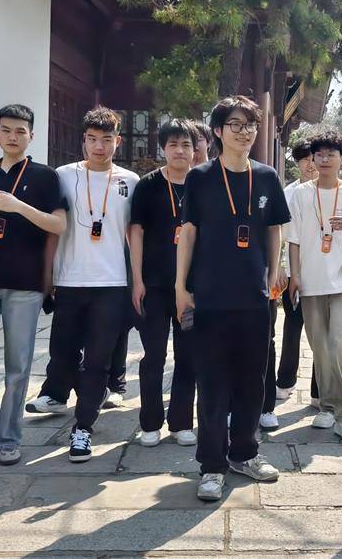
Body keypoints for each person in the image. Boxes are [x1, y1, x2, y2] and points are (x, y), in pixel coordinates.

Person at [176, 96, 289, 501]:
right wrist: (180, 287)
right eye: (236, 125)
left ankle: (245, 452)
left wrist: (273, 270)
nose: (244, 132)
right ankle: (212, 464)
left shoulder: (267, 177)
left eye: (250, 125)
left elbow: (274, 228)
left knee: (252, 381)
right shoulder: (200, 177)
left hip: (255, 297)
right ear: (218, 131)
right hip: (210, 296)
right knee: (211, 383)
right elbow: (188, 233)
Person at [26, 107, 139, 463]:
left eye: (107, 139)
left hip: (112, 282)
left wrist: (137, 282)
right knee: (62, 353)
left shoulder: (130, 181)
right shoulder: (63, 176)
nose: (99, 147)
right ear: (83, 141)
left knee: (98, 359)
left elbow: (135, 235)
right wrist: (48, 276)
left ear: (118, 142)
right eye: (92, 139)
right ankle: (81, 394)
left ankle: (83, 427)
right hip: (70, 280)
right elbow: (52, 229)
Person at [0, 105, 67, 466]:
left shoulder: (45, 177)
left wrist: (18, 206)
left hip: (25, 284)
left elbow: (59, 225)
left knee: (18, 365)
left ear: (31, 136)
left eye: (20, 131)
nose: (13, 137)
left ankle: (8, 436)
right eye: (6, 130)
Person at [286, 128, 342, 444]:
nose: (324, 160)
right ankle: (327, 405)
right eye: (318, 155)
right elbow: (293, 239)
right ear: (312, 159)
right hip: (311, 282)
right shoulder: (301, 194)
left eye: (330, 155)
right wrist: (294, 276)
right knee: (321, 349)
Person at [130, 118, 199, 448]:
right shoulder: (148, 185)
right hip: (155, 285)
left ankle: (182, 422)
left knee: (188, 355)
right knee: (154, 354)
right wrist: (137, 280)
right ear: (163, 149)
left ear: (195, 150)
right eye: (173, 144)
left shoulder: (203, 184)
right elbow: (136, 232)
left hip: (192, 288)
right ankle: (150, 422)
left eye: (186, 145)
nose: (180, 151)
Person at [270, 139, 319, 415]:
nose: (311, 164)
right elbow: (280, 233)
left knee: (320, 333)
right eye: (305, 159)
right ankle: (286, 380)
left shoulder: (329, 191)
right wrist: (280, 267)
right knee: (292, 326)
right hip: (293, 270)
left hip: (321, 272)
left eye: (314, 158)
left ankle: (319, 390)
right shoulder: (288, 193)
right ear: (297, 163)